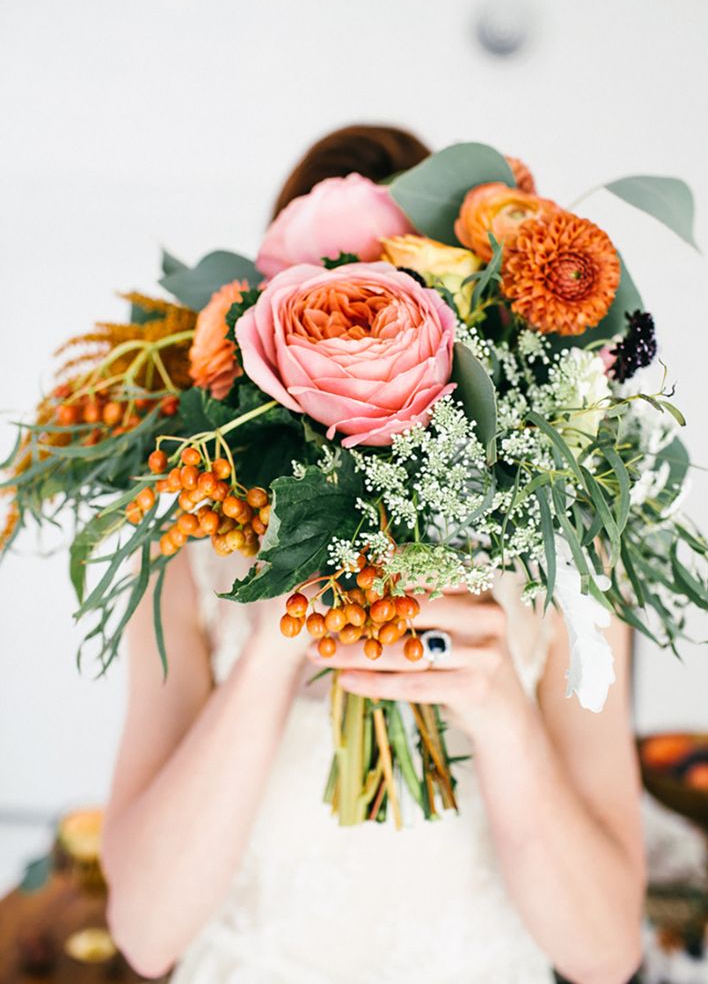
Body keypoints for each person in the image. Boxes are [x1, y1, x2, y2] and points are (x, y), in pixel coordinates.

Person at [101, 125, 645, 984]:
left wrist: (501, 708)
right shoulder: (191, 551)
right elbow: (145, 930)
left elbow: (608, 953)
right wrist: (286, 627)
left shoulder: (563, 562)